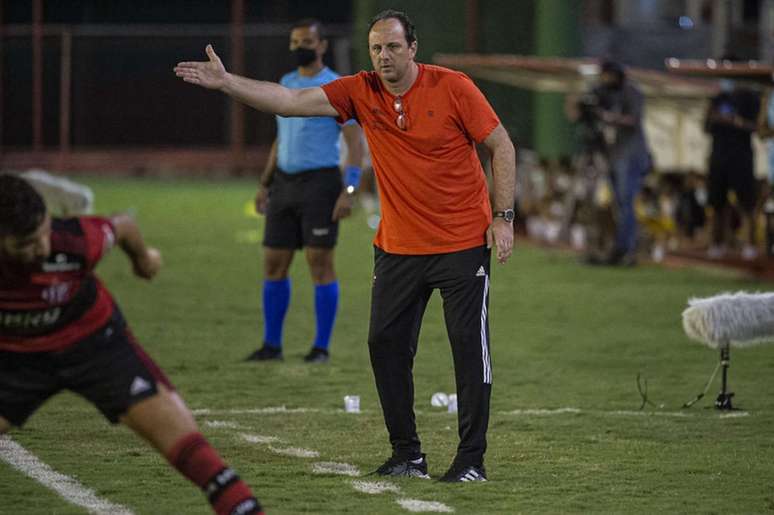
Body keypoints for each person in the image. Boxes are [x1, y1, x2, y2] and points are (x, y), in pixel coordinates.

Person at [174, 9, 515, 483]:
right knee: (385, 343)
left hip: (460, 243)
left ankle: (471, 459)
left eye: (393, 47)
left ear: (412, 49)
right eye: (376, 48)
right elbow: (289, 100)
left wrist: (502, 218)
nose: (383, 56)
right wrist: (228, 82)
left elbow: (501, 145)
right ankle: (407, 454)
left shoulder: (453, 86)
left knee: (466, 347)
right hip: (397, 246)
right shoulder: (360, 91)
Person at [0, 175, 263, 515]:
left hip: (95, 345)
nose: (44, 249)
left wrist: (143, 259)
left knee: (196, 456)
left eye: (45, 234)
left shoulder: (75, 240)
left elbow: (123, 225)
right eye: (27, 245)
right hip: (17, 360)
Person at [246, 19, 364, 364]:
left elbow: (354, 144)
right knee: (273, 262)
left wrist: (350, 190)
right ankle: (272, 346)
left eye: (307, 41)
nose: (300, 46)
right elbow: (280, 139)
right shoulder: (286, 84)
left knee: (320, 262)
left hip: (321, 184)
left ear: (322, 45)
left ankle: (321, 347)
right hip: (284, 183)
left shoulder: (337, 88)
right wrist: (265, 183)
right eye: (295, 41)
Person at [569, 60, 651, 266]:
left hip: (631, 154)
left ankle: (626, 249)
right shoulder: (603, 91)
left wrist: (607, 117)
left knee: (625, 203)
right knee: (618, 204)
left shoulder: (632, 92)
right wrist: (579, 100)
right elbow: (579, 111)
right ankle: (617, 248)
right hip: (614, 155)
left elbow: (632, 120)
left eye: (607, 75)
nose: (604, 80)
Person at [704, 76, 760, 260]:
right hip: (719, 156)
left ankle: (750, 246)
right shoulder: (717, 99)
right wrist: (713, 116)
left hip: (741, 156)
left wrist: (736, 121)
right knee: (717, 203)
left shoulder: (751, 98)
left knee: (747, 203)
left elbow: (757, 127)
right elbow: (705, 125)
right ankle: (717, 244)